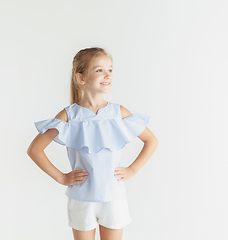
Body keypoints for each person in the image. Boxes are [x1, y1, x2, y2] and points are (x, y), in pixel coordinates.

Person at [27, 47, 158, 240]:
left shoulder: (118, 113)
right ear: (81, 78)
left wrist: (132, 170)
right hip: (81, 199)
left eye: (110, 70)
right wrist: (62, 178)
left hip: (114, 197)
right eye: (99, 70)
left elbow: (151, 141)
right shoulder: (69, 116)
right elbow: (35, 149)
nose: (107, 75)